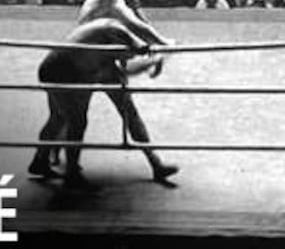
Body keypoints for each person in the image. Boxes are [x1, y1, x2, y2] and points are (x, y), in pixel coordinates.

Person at [27, 18, 178, 187]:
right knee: (74, 121)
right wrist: (154, 59)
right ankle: (71, 172)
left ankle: (155, 163)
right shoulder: (114, 30)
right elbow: (138, 52)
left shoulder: (107, 51)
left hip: (76, 67)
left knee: (127, 112)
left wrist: (153, 61)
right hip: (65, 69)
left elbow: (128, 66)